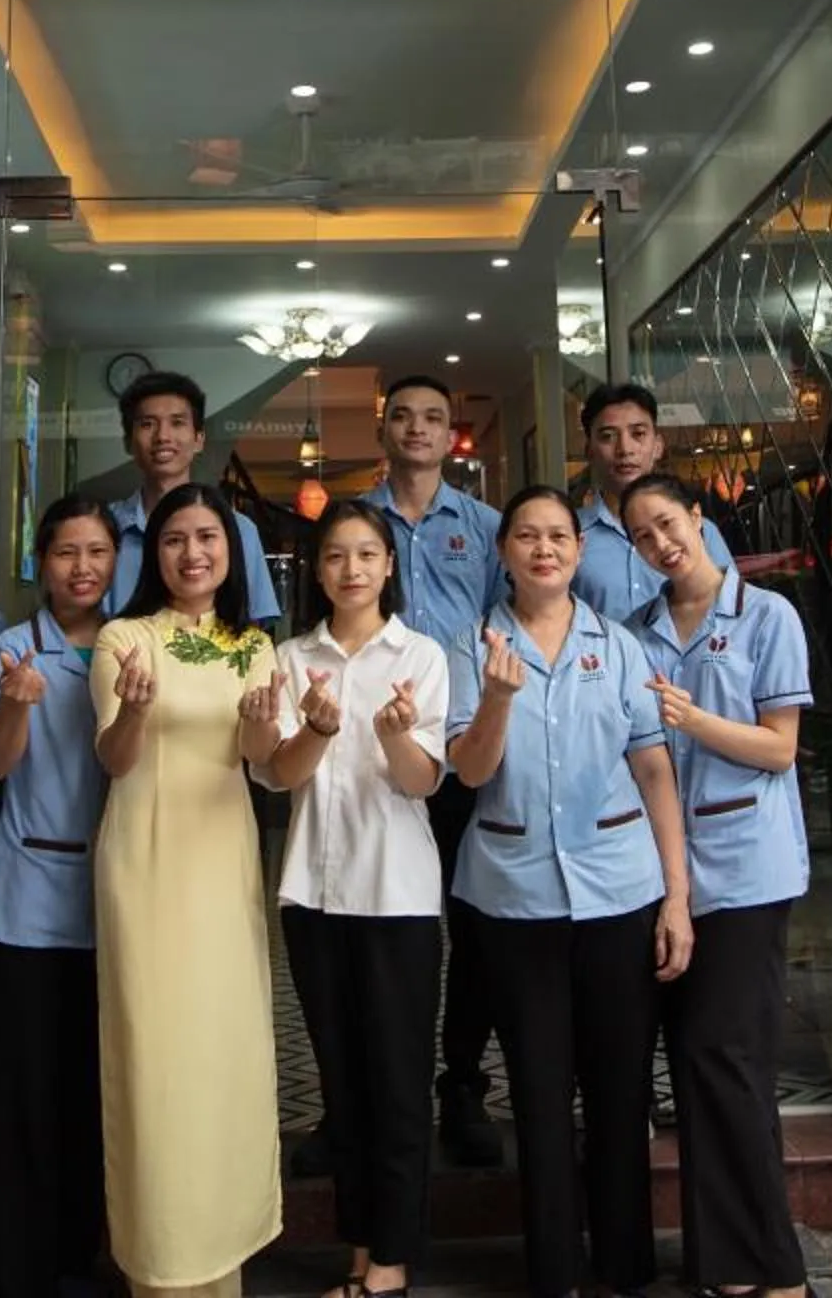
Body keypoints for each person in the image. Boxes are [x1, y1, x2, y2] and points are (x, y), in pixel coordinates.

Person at [448, 487, 693, 1298]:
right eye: (526, 535)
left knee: (621, 1087)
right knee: (540, 1091)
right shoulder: (469, 644)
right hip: (515, 902)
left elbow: (653, 768)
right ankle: (554, 1269)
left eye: (558, 535)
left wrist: (676, 898)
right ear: (505, 550)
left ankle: (624, 1265)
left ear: (579, 553)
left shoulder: (619, 647)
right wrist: (496, 696)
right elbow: (470, 772)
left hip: (620, 894)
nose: (544, 548)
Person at [246, 503, 451, 1298]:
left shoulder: (423, 656)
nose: (353, 569)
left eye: (368, 554)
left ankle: (392, 1260)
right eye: (336, 556)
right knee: (342, 1084)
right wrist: (318, 732)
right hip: (314, 896)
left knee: (398, 1081)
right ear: (317, 568)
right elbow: (278, 776)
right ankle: (361, 1250)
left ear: (390, 566)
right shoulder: (291, 659)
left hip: (397, 893)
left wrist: (396, 731)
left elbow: (423, 781)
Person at [622, 472, 813, 1298]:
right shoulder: (637, 630)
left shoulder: (767, 616)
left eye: (668, 524)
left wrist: (694, 719)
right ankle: (725, 1266)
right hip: (669, 876)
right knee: (700, 1068)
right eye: (642, 536)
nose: (661, 543)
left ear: (698, 520)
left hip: (749, 872)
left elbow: (780, 748)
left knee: (726, 1059)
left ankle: (774, 1270)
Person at [92, 485, 282, 1298]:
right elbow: (113, 757)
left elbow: (261, 759)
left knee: (225, 1058)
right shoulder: (122, 637)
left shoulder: (252, 646)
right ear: (152, 552)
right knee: (153, 1063)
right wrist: (135, 710)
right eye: (175, 539)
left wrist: (274, 725)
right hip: (144, 864)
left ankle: (224, 1257)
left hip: (223, 865)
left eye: (208, 537)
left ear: (231, 551)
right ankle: (158, 1263)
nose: (192, 553)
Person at [357, 374, 507, 1169]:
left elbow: (499, 629)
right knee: (379, 928)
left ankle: (462, 1083)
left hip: (458, 749)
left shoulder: (485, 527)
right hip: (369, 753)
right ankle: (373, 1093)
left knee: (470, 925)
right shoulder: (355, 523)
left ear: (453, 433)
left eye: (434, 418)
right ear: (383, 429)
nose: (418, 428)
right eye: (403, 416)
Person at [0, 496, 117, 1298]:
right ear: (41, 560)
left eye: (97, 551)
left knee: (92, 1090)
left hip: (112, 906)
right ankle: (15, 1262)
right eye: (66, 552)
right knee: (19, 1091)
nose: (83, 568)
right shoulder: (6, 650)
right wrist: (15, 705)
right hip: (23, 903)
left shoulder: (133, 648)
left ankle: (78, 1252)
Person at [100, 371, 283, 629]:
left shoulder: (239, 531)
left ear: (199, 439)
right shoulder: (105, 529)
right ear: (129, 442)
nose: (163, 436)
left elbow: (251, 631)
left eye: (177, 423)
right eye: (147, 424)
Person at [572, 382, 733, 624]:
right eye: (607, 437)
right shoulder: (568, 535)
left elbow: (731, 616)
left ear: (658, 446)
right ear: (590, 451)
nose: (625, 449)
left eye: (638, 434)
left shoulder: (699, 531)